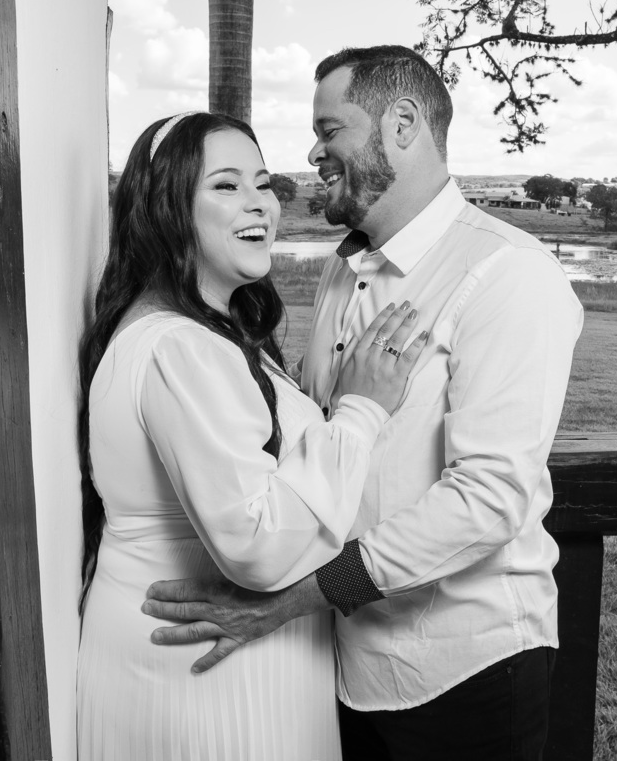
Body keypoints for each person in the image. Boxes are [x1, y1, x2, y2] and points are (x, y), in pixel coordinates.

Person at [144, 46, 584, 760]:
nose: (314, 151)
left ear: (402, 124)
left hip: (464, 672)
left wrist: (291, 600)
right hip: (345, 666)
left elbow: (489, 500)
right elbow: (325, 437)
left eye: (329, 129)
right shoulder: (344, 269)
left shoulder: (510, 275)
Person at [76, 111, 427, 760]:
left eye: (263, 184)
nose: (259, 205)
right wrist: (361, 410)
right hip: (208, 680)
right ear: (163, 207)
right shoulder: (184, 351)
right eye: (226, 186)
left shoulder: (197, 330)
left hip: (208, 665)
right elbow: (259, 545)